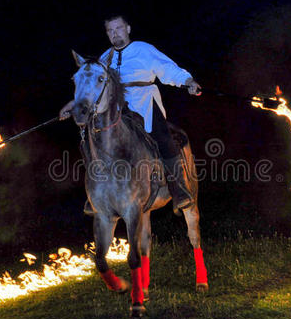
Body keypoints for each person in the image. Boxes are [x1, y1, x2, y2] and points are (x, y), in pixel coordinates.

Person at [60, 15, 202, 213]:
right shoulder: (104, 58)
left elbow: (167, 68)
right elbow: (91, 87)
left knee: (162, 138)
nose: (114, 33)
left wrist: (187, 81)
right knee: (90, 139)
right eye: (110, 30)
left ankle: (179, 191)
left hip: (144, 103)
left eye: (118, 28)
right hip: (115, 109)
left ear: (128, 28)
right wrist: (74, 105)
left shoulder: (143, 50)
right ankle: (95, 195)